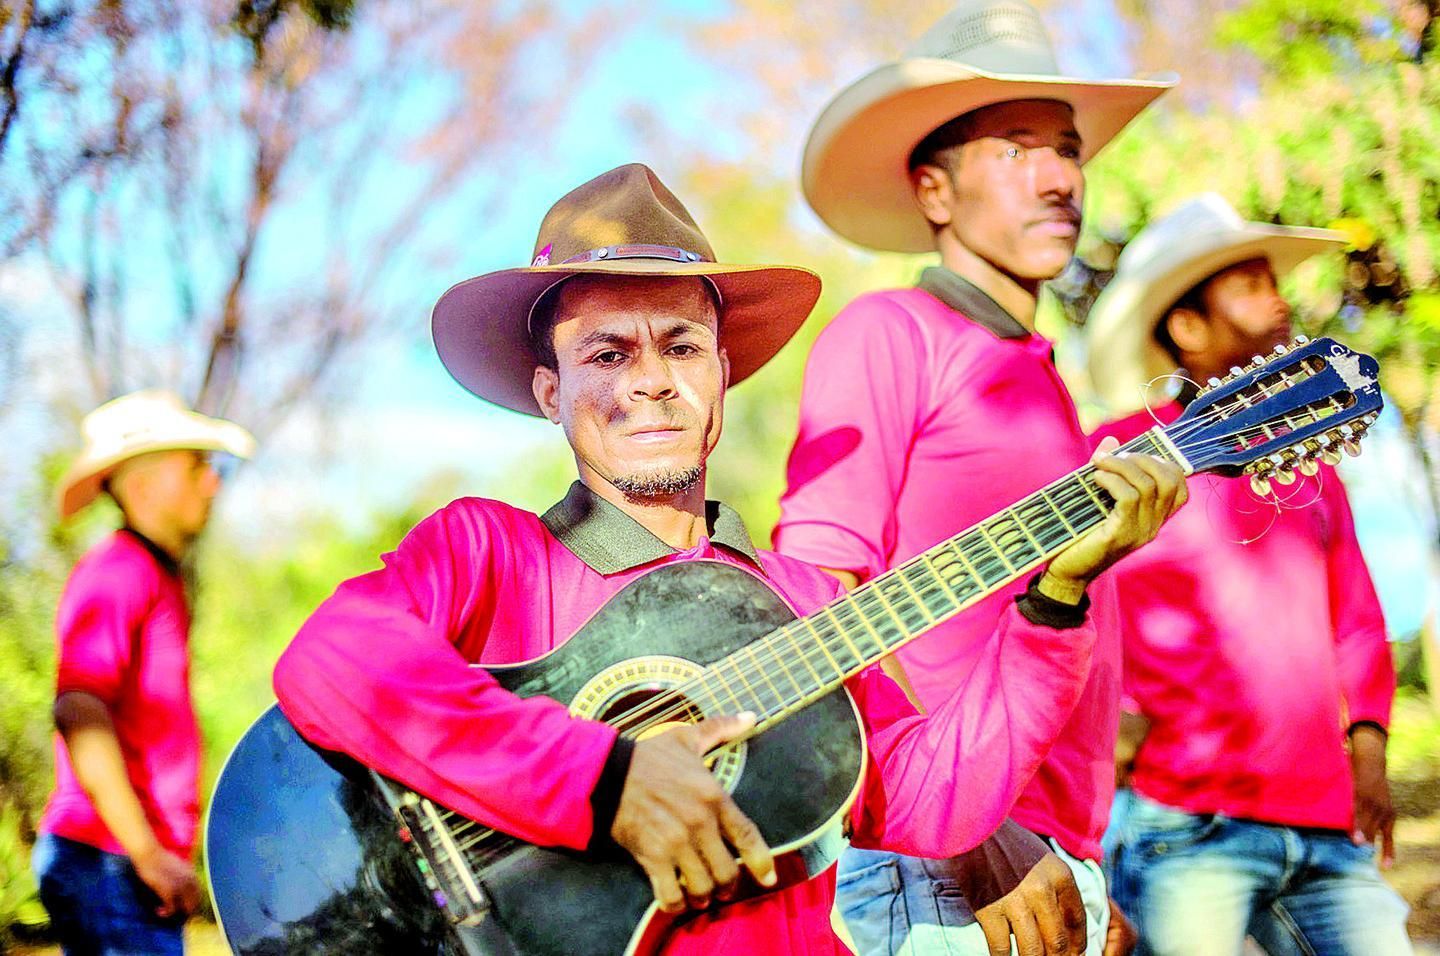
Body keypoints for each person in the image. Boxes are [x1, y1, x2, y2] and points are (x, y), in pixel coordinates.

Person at [270, 163, 1186, 955]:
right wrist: (603, 778)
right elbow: (333, 661)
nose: (649, 379)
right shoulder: (489, 549)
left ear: (720, 378)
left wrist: (1057, 598)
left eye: (682, 346)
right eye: (607, 352)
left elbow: (932, 799)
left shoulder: (799, 601)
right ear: (552, 391)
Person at [777, 1, 1174, 952]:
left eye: (1069, 149)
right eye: (1014, 146)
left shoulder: (1041, 380)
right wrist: (972, 836)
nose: (1059, 178)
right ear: (936, 192)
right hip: (946, 856)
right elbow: (815, 607)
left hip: (1049, 854)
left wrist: (1079, 864)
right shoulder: (889, 334)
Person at [1086, 193, 1413, 956]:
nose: (1277, 300)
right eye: (1247, 284)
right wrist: (1111, 723)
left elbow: (1358, 619)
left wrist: (1366, 748)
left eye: (1274, 280)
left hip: (1324, 825)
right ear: (1187, 327)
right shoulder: (1115, 455)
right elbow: (1064, 605)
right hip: (1181, 823)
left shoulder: (1311, 461)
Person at [33, 390, 254, 955]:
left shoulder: (157, 577)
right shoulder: (118, 573)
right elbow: (78, 708)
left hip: (124, 865)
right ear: (142, 486)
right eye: (195, 467)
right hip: (109, 861)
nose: (212, 482)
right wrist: (147, 853)